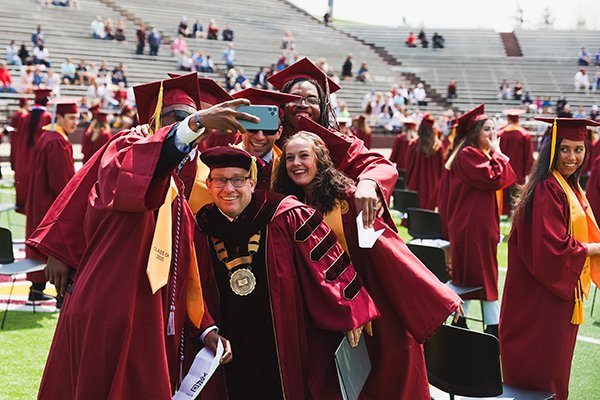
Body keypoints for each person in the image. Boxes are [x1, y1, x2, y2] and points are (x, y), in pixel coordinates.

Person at [29, 73, 257, 399]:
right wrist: (61, 250)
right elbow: (99, 189)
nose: (188, 125)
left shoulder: (184, 187)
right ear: (154, 120)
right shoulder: (128, 149)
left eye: (192, 118)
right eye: (175, 117)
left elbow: (191, 268)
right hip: (113, 302)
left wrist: (204, 325)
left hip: (154, 309)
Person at [273, 131, 461, 399]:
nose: (296, 163)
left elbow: (386, 247)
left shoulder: (348, 199)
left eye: (304, 156)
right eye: (290, 158)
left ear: (321, 159)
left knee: (383, 379)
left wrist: (436, 293)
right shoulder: (289, 206)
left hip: (370, 304)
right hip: (321, 311)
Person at [194, 146, 379, 399]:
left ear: (251, 183)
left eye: (237, 180)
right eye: (220, 180)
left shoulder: (286, 214)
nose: (228, 189)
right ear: (208, 183)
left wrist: (350, 310)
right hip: (228, 339)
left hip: (283, 341)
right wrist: (207, 329)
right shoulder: (201, 226)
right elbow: (193, 286)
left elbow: (328, 265)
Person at [500, 118, 600, 400]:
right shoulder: (548, 189)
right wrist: (594, 249)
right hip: (541, 301)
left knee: (553, 373)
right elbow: (551, 249)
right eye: (565, 149)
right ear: (552, 150)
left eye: (578, 150)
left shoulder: (569, 186)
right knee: (542, 378)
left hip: (557, 296)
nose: (572, 157)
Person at [268, 57, 398, 228]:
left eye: (312, 100)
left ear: (324, 106)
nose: (303, 104)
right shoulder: (267, 142)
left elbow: (380, 165)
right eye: (295, 98)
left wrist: (368, 183)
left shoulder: (338, 143)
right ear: (282, 105)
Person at [440, 104, 516, 336]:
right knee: (481, 276)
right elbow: (494, 178)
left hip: (475, 224)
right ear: (474, 133)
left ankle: (459, 321)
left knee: (471, 275)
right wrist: (499, 153)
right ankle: (488, 326)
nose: (493, 135)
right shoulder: (468, 154)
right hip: (473, 226)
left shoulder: (472, 154)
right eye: (487, 130)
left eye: (494, 130)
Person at [25, 98, 79, 303]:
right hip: (52, 206)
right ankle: (60, 296)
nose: (75, 122)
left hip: (40, 201)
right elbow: (63, 183)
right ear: (60, 117)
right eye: (71, 118)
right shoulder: (57, 142)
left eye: (77, 118)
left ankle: (36, 289)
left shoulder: (47, 136)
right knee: (58, 248)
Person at [230, 87, 301, 189]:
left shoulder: (287, 166)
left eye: (269, 130)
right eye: (252, 128)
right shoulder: (224, 162)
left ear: (279, 132)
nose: (260, 137)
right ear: (240, 128)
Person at [13, 88, 53, 214]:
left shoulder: (25, 116)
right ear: (46, 101)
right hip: (38, 157)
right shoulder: (47, 116)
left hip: (24, 156)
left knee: (24, 180)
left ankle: (22, 204)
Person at [498, 109, 534, 215]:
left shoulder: (500, 133)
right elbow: (529, 156)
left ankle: (502, 214)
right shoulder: (524, 134)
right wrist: (527, 171)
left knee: (503, 196)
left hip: (502, 172)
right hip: (518, 173)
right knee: (516, 199)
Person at [405, 113, 445, 210]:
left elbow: (408, 166)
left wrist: (408, 181)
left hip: (415, 183)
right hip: (433, 186)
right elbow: (442, 169)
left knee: (414, 213)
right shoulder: (438, 146)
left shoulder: (413, 144)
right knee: (428, 214)